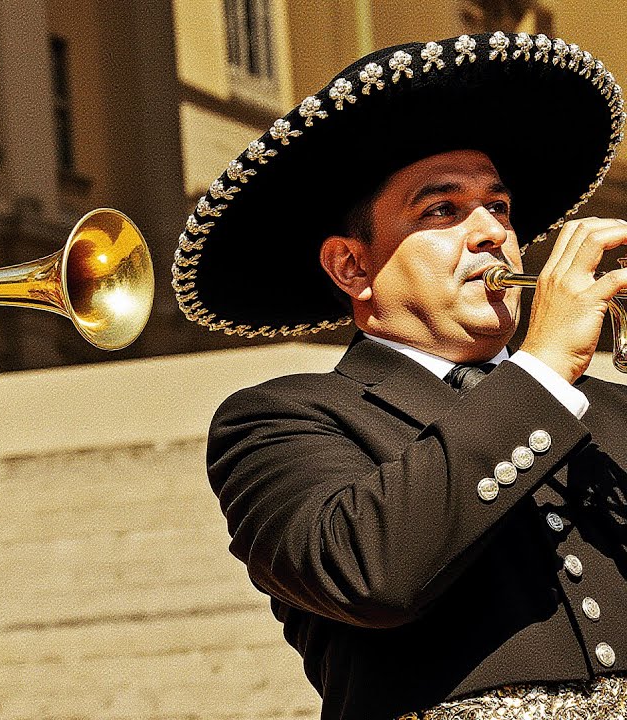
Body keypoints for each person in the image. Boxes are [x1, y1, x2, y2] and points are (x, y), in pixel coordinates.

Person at [173, 31, 627, 720]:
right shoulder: (278, 420)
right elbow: (366, 572)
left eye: (499, 208)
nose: (491, 234)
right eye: (442, 210)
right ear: (352, 268)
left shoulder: (612, 409)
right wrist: (540, 374)